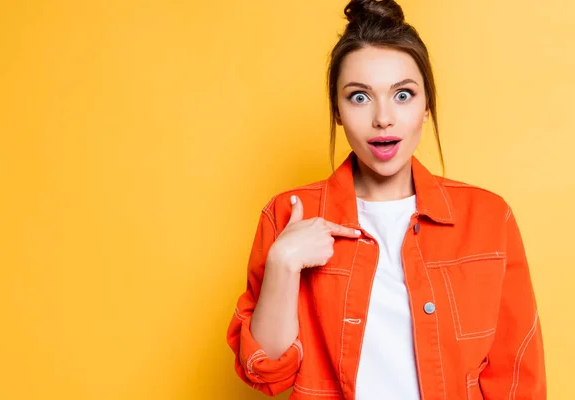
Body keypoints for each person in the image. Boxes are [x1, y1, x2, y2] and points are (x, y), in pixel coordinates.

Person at [226, 0, 546, 398]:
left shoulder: (487, 218)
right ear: (338, 110)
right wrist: (282, 264)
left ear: (427, 104)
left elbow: (516, 377)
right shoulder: (289, 214)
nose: (383, 118)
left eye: (403, 95)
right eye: (359, 97)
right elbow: (267, 375)